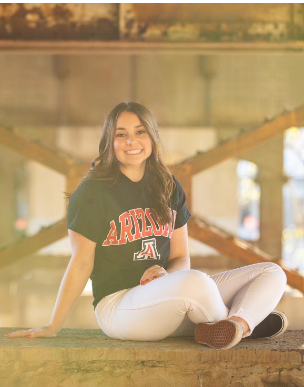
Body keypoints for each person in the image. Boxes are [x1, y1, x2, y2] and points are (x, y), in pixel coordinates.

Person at [4, 102, 288, 350]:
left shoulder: (168, 186)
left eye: (140, 132)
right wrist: (54, 325)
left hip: (170, 293)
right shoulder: (92, 192)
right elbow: (80, 264)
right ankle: (242, 321)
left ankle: (236, 325)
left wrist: (167, 273)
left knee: (271, 272)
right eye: (121, 134)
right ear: (109, 142)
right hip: (120, 308)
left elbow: (181, 258)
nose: (132, 141)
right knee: (196, 281)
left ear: (151, 137)